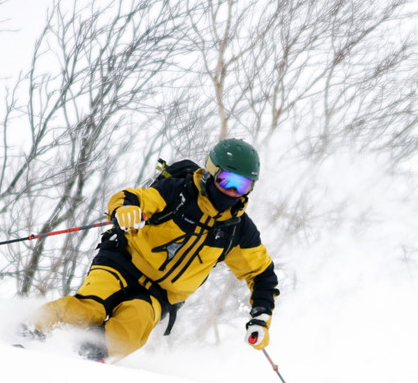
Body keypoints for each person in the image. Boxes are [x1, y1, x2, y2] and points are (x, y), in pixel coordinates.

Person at [29, 138, 278, 360]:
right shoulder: (179, 192)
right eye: (227, 180)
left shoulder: (236, 230)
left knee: (129, 332)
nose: (232, 191)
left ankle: (83, 357)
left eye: (243, 186)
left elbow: (261, 275)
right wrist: (125, 210)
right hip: (122, 261)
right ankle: (28, 333)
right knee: (87, 309)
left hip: (159, 295)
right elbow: (134, 198)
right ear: (211, 173)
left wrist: (261, 317)